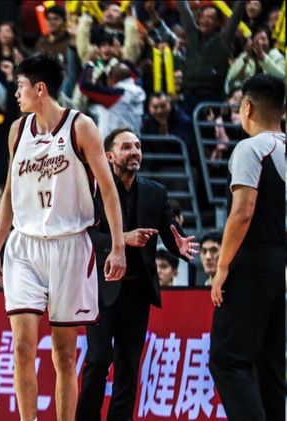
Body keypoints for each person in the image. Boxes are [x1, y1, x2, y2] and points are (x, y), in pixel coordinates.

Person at [0, 52, 126, 421]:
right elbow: (9, 193)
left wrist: (118, 247)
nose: (16, 93)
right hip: (24, 247)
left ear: (39, 89)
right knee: (22, 346)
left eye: (20, 86)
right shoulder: (17, 130)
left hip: (70, 245)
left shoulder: (81, 127)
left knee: (64, 354)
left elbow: (108, 189)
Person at [76, 128, 198, 421]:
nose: (135, 152)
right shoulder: (94, 191)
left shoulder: (156, 192)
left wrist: (179, 244)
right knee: (98, 360)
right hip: (102, 289)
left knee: (129, 367)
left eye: (138, 146)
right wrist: (123, 238)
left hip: (137, 291)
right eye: (127, 147)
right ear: (109, 156)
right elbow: (84, 237)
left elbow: (170, 231)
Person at [209, 74, 286, 421]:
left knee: (228, 361)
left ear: (247, 108)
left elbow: (242, 211)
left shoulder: (251, 147)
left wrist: (223, 266)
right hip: (279, 265)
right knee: (270, 366)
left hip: (252, 262)